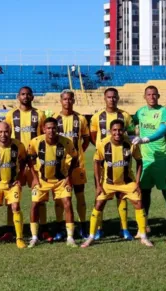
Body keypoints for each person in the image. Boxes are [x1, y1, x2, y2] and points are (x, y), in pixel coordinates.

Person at [81, 119, 153, 248]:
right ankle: (91, 237)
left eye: (120, 130)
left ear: (124, 131)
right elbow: (96, 163)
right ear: (110, 131)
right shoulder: (103, 144)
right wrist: (98, 185)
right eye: (114, 130)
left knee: (138, 203)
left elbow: (139, 161)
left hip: (127, 182)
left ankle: (143, 236)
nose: (117, 133)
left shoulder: (131, 143)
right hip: (108, 183)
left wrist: (137, 182)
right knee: (98, 204)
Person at [131, 86, 166, 242]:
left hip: (162, 159)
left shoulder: (165, 111)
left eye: (154, 94)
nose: (151, 97)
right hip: (145, 159)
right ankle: (143, 226)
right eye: (148, 94)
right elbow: (131, 124)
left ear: (158, 96)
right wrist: (129, 134)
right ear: (144, 96)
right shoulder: (140, 112)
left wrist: (146, 139)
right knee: (144, 192)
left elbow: (163, 130)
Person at [89, 87, 134, 240]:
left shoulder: (125, 116)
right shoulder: (96, 117)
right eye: (109, 97)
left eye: (114, 97)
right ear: (104, 98)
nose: (112, 99)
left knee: (122, 194)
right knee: (100, 194)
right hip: (103, 160)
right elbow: (93, 137)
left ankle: (124, 228)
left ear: (118, 98)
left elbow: (132, 136)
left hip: (121, 158)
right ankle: (99, 228)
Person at [4, 86, 48, 241]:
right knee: (12, 197)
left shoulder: (40, 114)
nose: (25, 96)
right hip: (16, 162)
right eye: (23, 94)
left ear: (33, 97)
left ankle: (42, 228)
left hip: (35, 162)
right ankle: (11, 229)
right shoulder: (10, 115)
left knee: (39, 196)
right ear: (18, 96)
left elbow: (44, 138)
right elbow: (6, 135)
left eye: (28, 94)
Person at [27, 118, 79, 248]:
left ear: (57, 129)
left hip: (61, 180)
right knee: (34, 205)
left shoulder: (66, 142)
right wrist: (34, 177)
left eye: (54, 128)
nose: (51, 130)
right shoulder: (36, 142)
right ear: (44, 129)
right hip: (42, 180)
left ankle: (70, 237)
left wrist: (69, 176)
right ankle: (34, 237)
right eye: (48, 128)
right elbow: (29, 158)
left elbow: (75, 157)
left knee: (67, 203)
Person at [51, 90, 90, 240]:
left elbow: (86, 140)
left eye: (70, 99)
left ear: (74, 101)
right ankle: (60, 227)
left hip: (78, 164)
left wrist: (78, 153)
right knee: (60, 198)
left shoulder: (80, 119)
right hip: (59, 166)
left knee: (80, 195)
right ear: (60, 101)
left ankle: (82, 226)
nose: (67, 101)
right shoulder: (54, 119)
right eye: (65, 99)